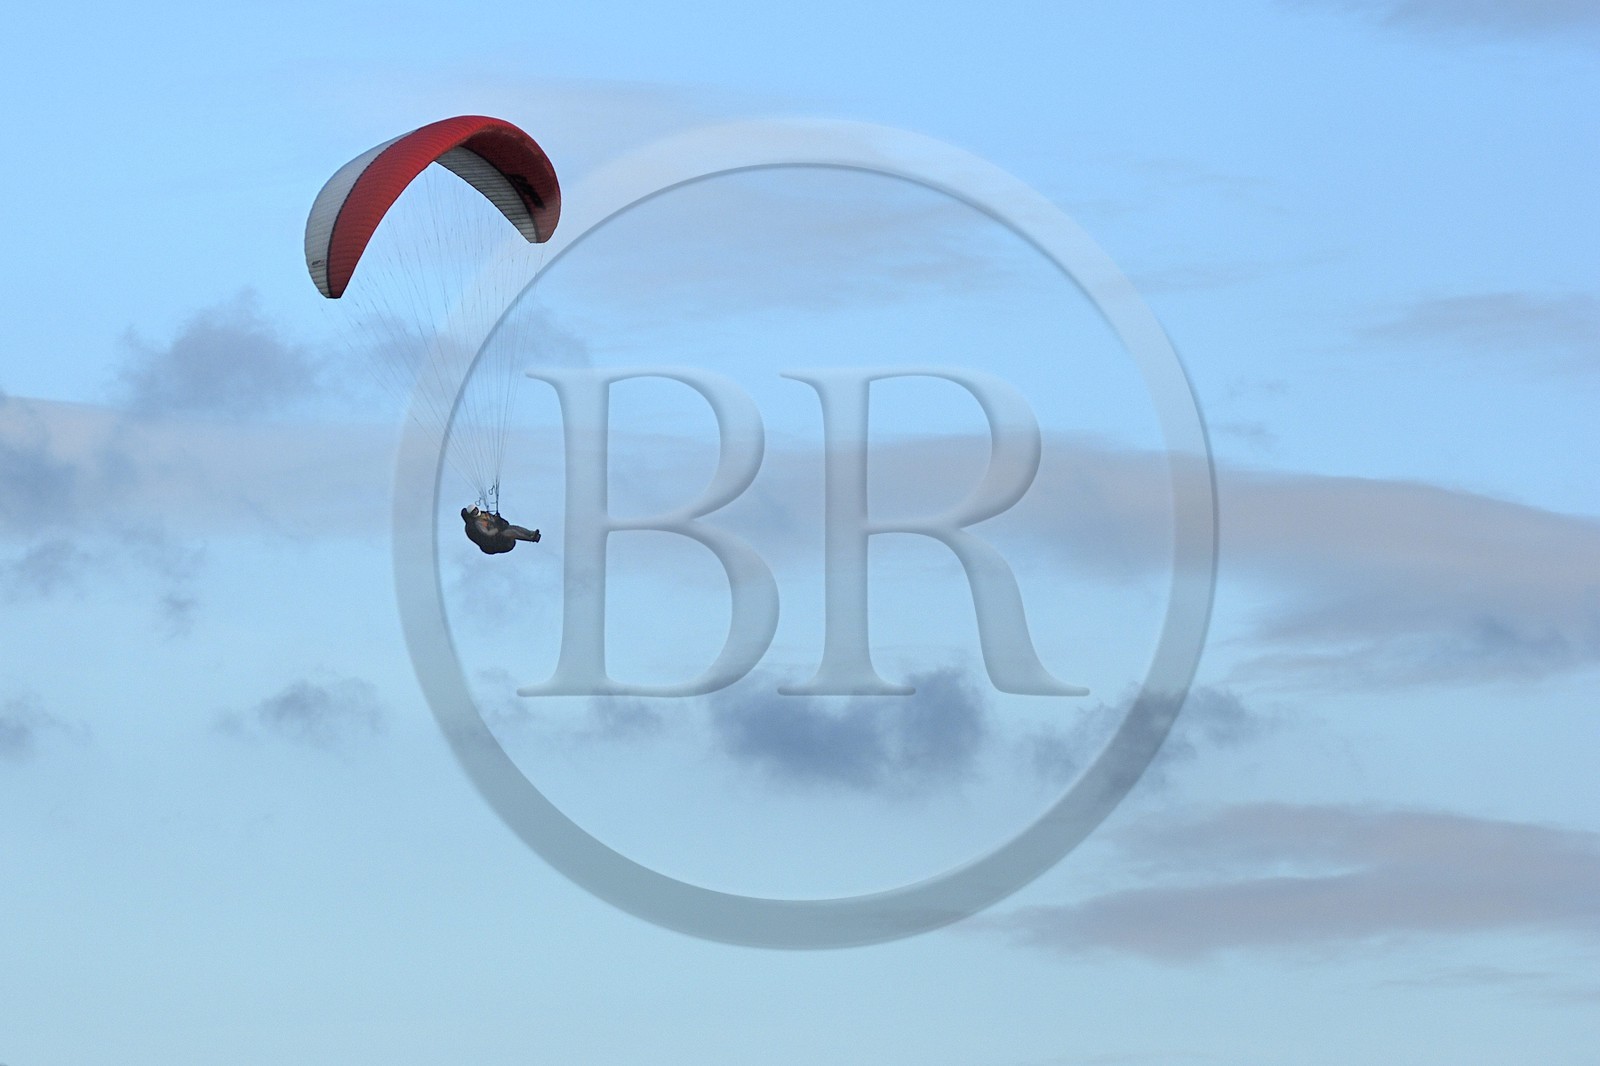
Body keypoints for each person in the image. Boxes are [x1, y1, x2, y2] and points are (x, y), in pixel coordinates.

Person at [461, 505, 541, 555]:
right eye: (473, 512)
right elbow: (488, 533)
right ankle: (532, 538)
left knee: (515, 528)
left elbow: (500, 522)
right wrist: (498, 528)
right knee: (512, 532)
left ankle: (532, 533)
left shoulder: (484, 514)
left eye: (476, 510)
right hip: (497, 542)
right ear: (471, 515)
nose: (476, 512)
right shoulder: (477, 523)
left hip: (498, 533)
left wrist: (499, 520)